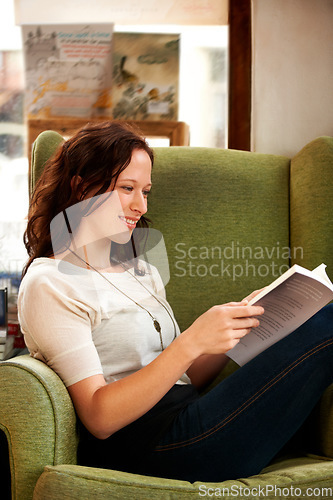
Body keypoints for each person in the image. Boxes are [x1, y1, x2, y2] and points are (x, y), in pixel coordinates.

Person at [18, 121, 333, 483]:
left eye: (146, 191)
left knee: (315, 319)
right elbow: (99, 417)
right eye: (127, 188)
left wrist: (239, 324)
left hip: (192, 418)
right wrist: (191, 340)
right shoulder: (51, 281)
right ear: (80, 187)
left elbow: (183, 378)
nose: (140, 205)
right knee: (327, 325)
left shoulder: (140, 271)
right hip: (147, 445)